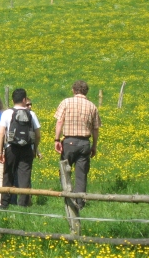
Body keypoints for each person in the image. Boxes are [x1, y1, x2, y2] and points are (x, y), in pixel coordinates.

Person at [53, 80, 101, 210]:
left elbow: (59, 122)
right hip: (85, 142)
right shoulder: (92, 106)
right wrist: (94, 146)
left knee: (64, 171)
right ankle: (80, 203)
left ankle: (68, 199)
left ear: (74, 90)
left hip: (69, 141)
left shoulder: (66, 102)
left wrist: (57, 140)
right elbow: (96, 129)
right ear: (86, 91)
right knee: (81, 174)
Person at [0, 88, 41, 209]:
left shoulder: (7, 113)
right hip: (27, 148)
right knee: (25, 176)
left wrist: (0, 151)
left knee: (8, 175)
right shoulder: (31, 114)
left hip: (11, 148)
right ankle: (23, 204)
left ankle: (4, 203)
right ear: (24, 99)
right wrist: (34, 148)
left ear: (12, 100)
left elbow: (1, 133)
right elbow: (37, 135)